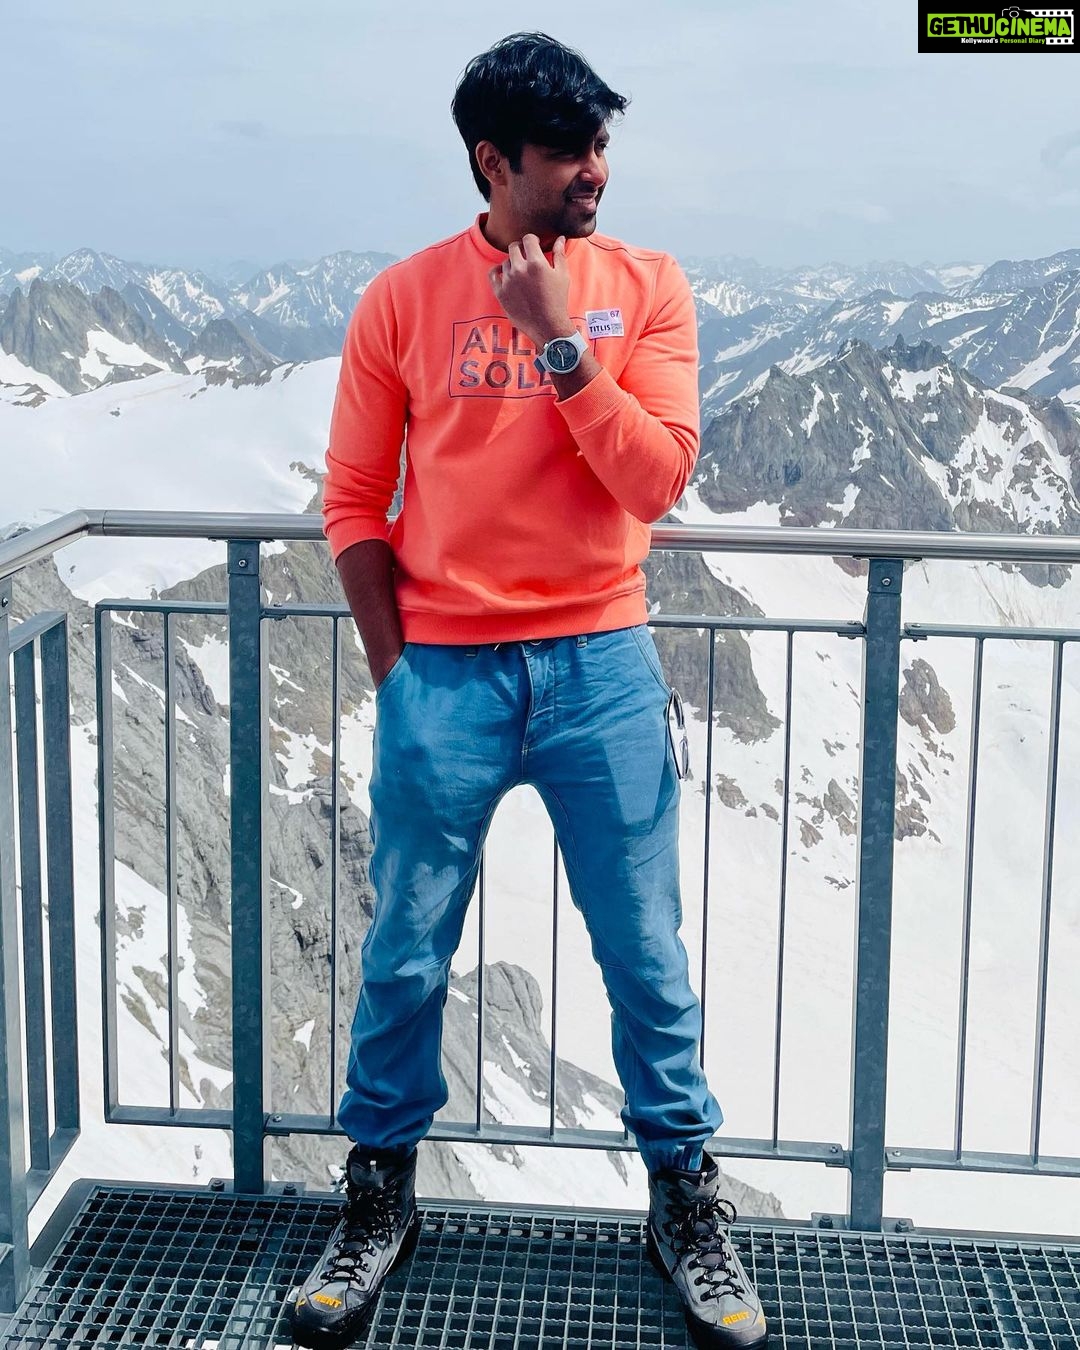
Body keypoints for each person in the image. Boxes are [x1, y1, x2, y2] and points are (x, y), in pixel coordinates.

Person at [290, 31, 767, 1350]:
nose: (595, 170)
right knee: (405, 950)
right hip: (443, 673)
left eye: (602, 145)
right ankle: (378, 1195)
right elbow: (352, 501)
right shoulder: (401, 300)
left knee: (646, 952)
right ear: (494, 162)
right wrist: (400, 672)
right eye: (566, 151)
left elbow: (653, 479)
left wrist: (560, 339)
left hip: (602, 662)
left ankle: (683, 1197)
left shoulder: (646, 287)